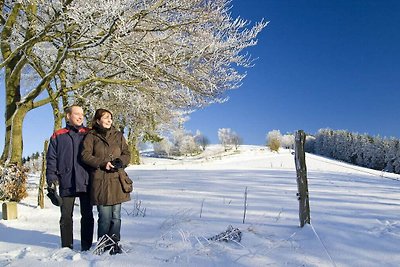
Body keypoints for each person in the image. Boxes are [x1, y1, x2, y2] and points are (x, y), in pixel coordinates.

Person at [81, 108, 131, 254]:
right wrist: (103, 163)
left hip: (117, 180)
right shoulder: (91, 136)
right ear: (98, 120)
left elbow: (127, 154)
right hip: (100, 180)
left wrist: (120, 162)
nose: (109, 120)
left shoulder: (118, 135)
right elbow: (85, 155)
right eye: (106, 117)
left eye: (111, 117)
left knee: (116, 217)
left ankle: (114, 245)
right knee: (104, 216)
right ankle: (102, 245)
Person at [46, 105, 94, 251]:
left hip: (86, 180)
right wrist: (52, 179)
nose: (80, 117)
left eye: (82, 114)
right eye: (77, 114)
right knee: (66, 216)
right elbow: (52, 159)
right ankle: (67, 246)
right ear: (68, 116)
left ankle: (86, 246)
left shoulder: (89, 133)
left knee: (87, 215)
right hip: (66, 180)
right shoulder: (58, 135)